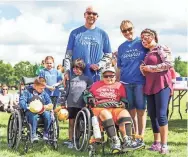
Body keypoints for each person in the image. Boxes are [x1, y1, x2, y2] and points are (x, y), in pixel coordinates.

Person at [83, 66, 142, 153]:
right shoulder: (96, 85)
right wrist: (90, 98)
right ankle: (114, 141)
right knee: (106, 113)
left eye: (111, 76)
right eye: (106, 76)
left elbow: (123, 98)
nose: (109, 78)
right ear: (103, 76)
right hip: (100, 108)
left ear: (115, 76)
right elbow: (86, 94)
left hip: (115, 107)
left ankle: (127, 140)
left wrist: (123, 102)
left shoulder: (119, 85)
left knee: (125, 113)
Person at [140, 28, 173, 154]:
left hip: (162, 85)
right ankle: (156, 143)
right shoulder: (147, 53)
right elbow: (145, 72)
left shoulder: (161, 48)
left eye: (147, 36)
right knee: (152, 115)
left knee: (161, 115)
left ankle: (164, 145)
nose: (144, 40)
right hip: (150, 86)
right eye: (142, 38)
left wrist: (150, 68)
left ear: (153, 36)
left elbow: (169, 63)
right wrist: (143, 68)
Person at [116, 20, 148, 146]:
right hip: (125, 83)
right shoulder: (121, 47)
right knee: (131, 111)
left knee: (141, 110)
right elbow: (119, 67)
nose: (127, 32)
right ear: (121, 32)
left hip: (140, 82)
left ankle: (141, 136)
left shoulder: (142, 43)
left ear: (134, 28)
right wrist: (117, 83)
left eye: (129, 29)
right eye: (124, 30)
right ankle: (134, 136)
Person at [63, 6, 112, 84]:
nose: (91, 15)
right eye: (89, 13)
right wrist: (66, 71)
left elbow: (108, 55)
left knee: (92, 97)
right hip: (76, 77)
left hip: (95, 78)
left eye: (94, 14)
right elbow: (68, 55)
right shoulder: (74, 33)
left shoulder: (103, 34)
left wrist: (99, 65)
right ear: (84, 15)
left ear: (97, 17)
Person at [56, 58, 93, 148]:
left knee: (79, 124)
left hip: (81, 106)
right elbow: (66, 91)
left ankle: (77, 139)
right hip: (71, 105)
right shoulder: (70, 79)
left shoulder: (87, 79)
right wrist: (62, 102)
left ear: (81, 69)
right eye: (74, 68)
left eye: (77, 68)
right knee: (71, 123)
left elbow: (91, 90)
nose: (75, 70)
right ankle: (70, 140)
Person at [19, 77, 53, 142]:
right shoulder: (27, 91)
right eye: (41, 88)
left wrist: (48, 106)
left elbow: (49, 102)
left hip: (42, 109)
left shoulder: (44, 93)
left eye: (43, 88)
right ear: (35, 86)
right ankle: (33, 134)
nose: (42, 90)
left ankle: (46, 133)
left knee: (48, 114)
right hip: (30, 110)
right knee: (33, 115)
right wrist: (27, 107)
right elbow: (22, 101)